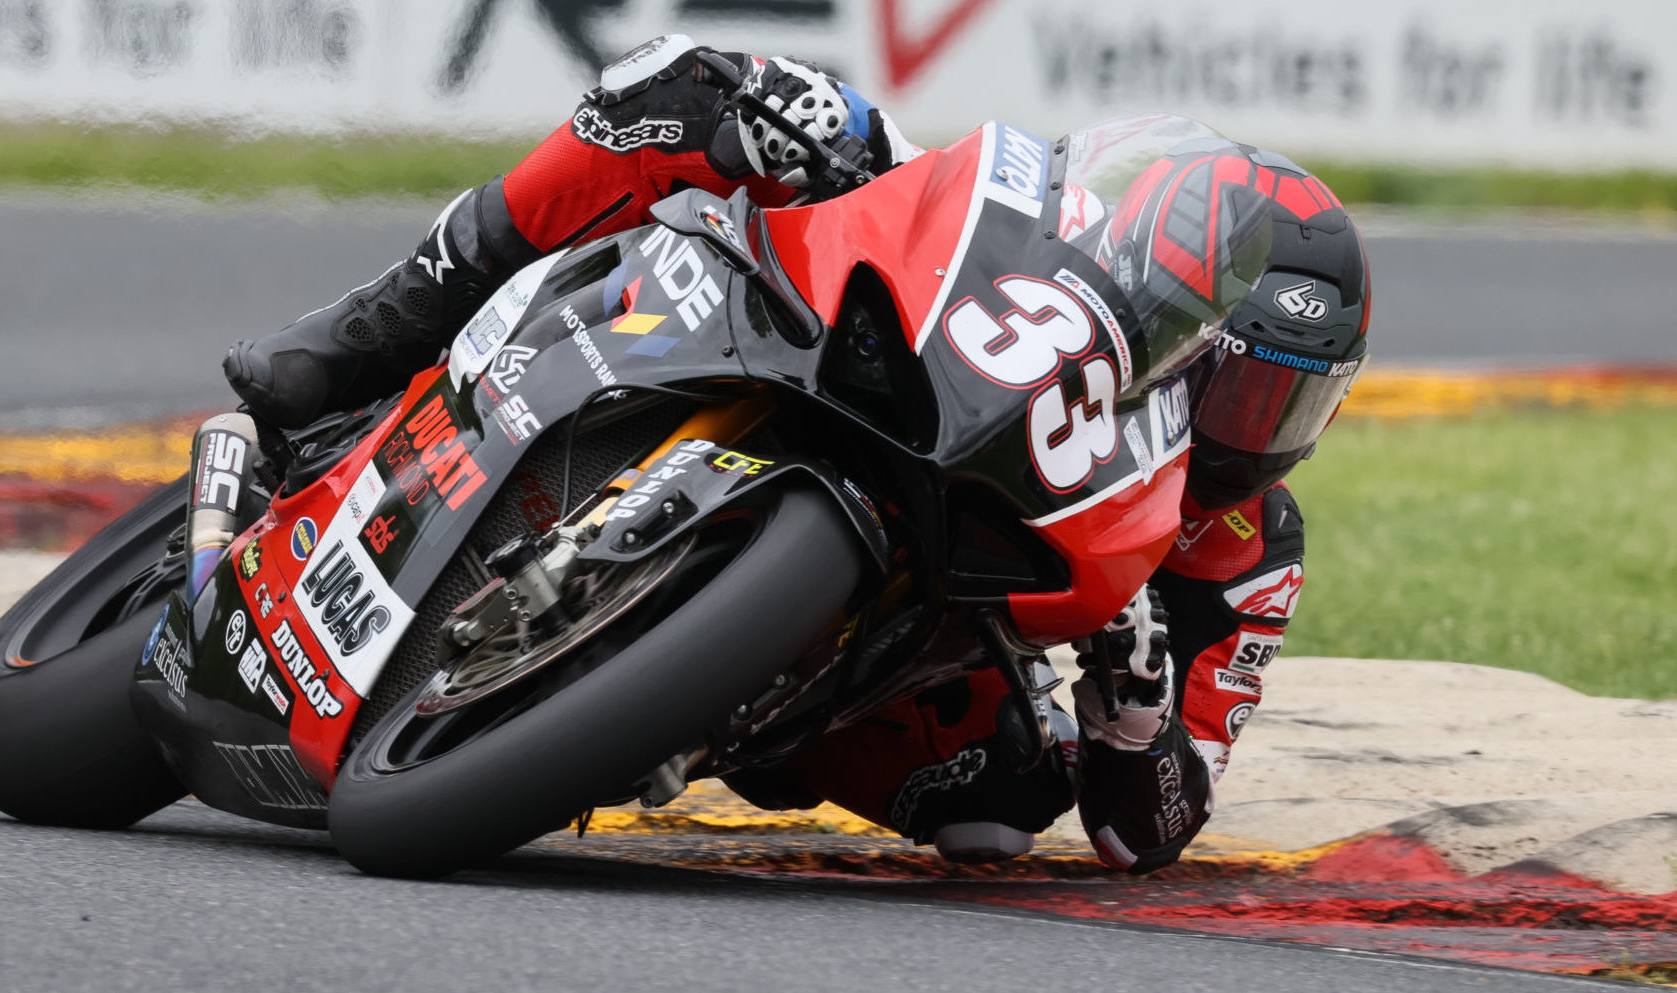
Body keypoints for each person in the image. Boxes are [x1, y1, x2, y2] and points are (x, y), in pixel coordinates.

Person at [220, 35, 1371, 873]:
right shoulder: (1058, 251)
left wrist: (1135, 700)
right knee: (692, 88)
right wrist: (796, 115)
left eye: (1287, 404)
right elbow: (944, 189)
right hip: (903, 367)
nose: (1249, 427)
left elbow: (1149, 828)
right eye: (1236, 379)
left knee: (1003, 804)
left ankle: (686, 700)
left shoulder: (1247, 554)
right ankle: (375, 326)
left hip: (942, 624)